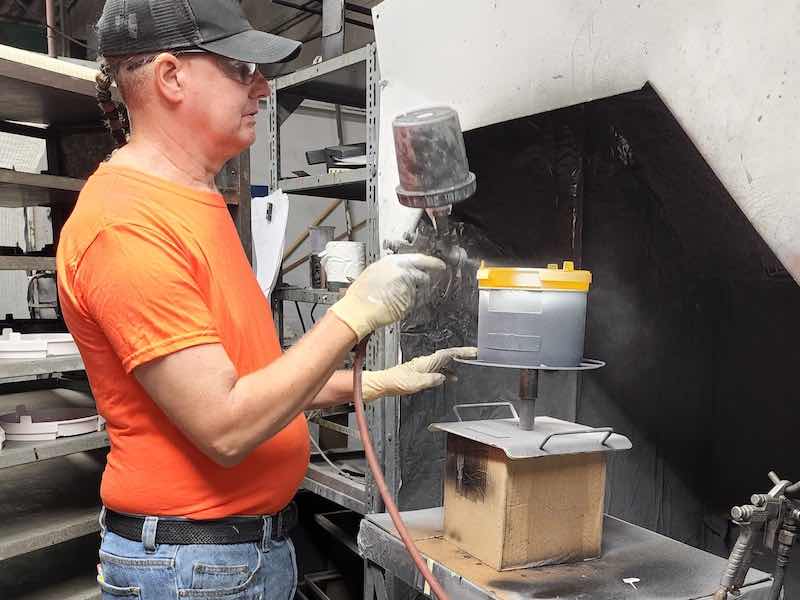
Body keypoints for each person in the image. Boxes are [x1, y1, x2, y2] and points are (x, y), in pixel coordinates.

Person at [55, 1, 475, 598]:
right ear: (171, 77)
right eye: (239, 68)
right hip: (190, 568)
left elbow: (249, 381)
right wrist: (351, 317)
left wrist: (379, 382)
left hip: (234, 555)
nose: (262, 85)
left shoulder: (194, 199)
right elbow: (225, 426)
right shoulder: (126, 224)